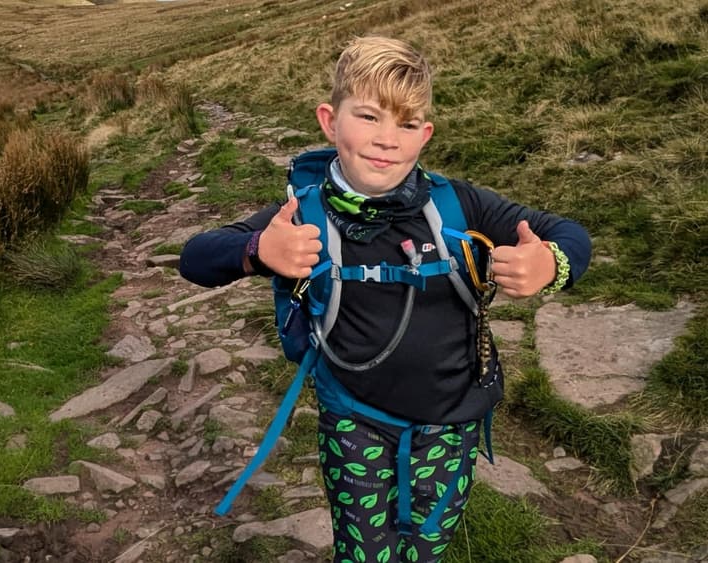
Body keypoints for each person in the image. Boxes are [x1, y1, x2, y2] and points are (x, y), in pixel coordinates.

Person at [178, 35, 591, 562]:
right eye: (369, 117)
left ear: (426, 135)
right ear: (330, 121)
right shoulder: (302, 214)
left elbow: (571, 234)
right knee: (363, 555)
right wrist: (260, 250)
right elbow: (196, 258)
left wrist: (549, 265)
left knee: (427, 550)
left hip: (453, 425)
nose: (387, 140)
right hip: (354, 421)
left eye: (407, 123)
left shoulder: (458, 204)